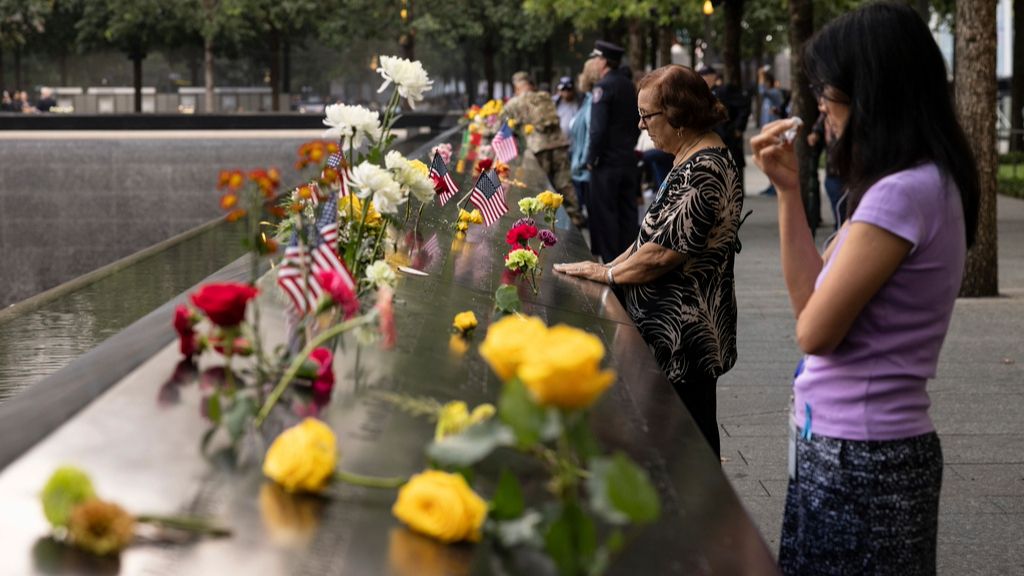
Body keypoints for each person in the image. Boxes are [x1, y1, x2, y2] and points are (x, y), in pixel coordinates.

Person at [751, 4, 980, 574]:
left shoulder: (900, 194)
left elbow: (814, 333)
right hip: (850, 444)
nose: (821, 108)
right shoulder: (914, 183)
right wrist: (788, 192)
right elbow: (811, 302)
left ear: (871, 92)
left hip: (861, 456)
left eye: (827, 93)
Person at [556, 64, 744, 459]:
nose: (641, 125)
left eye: (647, 115)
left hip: (684, 336)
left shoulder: (705, 169)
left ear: (679, 115)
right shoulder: (689, 157)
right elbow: (649, 238)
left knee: (688, 447)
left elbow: (662, 254)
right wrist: (605, 269)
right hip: (673, 333)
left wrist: (606, 273)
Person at [503, 71, 586, 228]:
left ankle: (538, 223)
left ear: (517, 87)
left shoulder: (514, 103)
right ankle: (575, 218)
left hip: (537, 148)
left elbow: (500, 125)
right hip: (559, 144)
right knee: (564, 184)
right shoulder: (545, 97)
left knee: (536, 186)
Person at [585, 40, 641, 262]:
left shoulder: (603, 87)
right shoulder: (628, 85)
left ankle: (610, 266)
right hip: (627, 160)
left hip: (606, 164)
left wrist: (591, 159)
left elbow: (597, 130)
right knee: (628, 216)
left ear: (603, 61)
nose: (594, 62)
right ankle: (630, 263)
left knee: (605, 217)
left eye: (596, 58)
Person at [699, 65, 751, 194]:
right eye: (701, 76)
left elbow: (744, 106)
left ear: (713, 76)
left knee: (733, 164)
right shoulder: (702, 95)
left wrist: (738, 128)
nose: (704, 78)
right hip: (711, 139)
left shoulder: (724, 90)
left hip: (728, 136)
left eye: (706, 75)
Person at [569, 60, 601, 217]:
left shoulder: (592, 100)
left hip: (585, 168)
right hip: (581, 166)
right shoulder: (587, 99)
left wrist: (586, 160)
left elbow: (591, 132)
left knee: (592, 213)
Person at [808, 113, 846, 229]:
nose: (822, 107)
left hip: (849, 175)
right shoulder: (826, 117)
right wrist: (815, 134)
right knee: (840, 214)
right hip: (833, 173)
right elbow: (818, 128)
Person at [553, 76, 579, 140]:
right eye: (563, 89)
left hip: (575, 139)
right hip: (559, 141)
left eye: (568, 89)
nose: (566, 92)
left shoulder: (580, 102)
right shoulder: (555, 103)